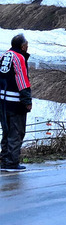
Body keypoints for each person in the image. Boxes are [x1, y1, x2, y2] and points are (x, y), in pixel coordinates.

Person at [0, 34, 32, 172]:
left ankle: (4, 160)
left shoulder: (4, 56)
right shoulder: (19, 57)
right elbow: (22, 79)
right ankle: (12, 163)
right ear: (22, 46)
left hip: (2, 101)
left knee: (6, 132)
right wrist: (27, 101)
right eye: (26, 44)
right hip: (15, 101)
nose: (27, 47)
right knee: (16, 132)